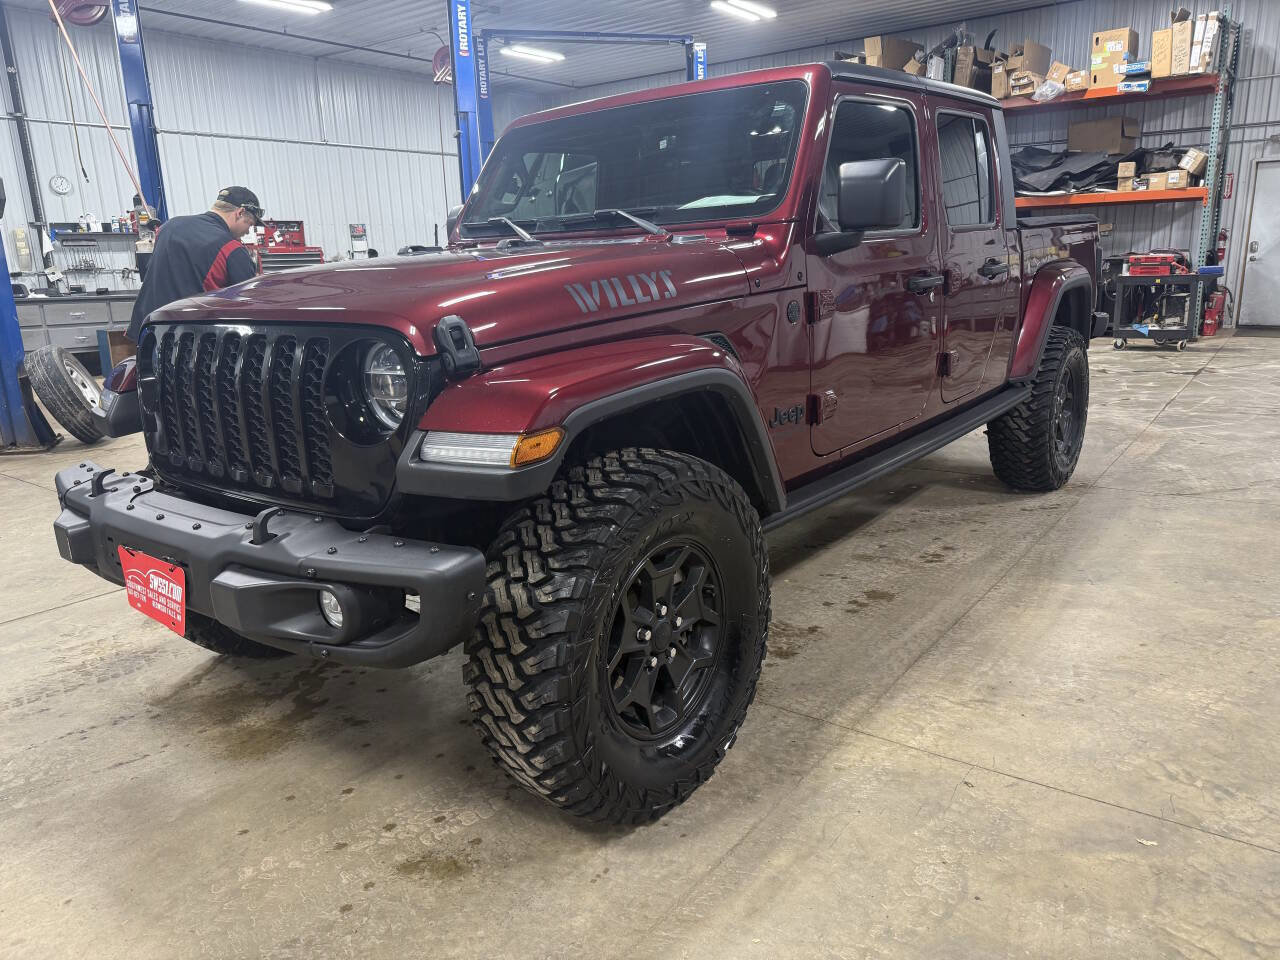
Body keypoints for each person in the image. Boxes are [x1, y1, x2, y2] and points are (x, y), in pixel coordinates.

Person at [126, 186, 265, 340]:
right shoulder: (231, 248)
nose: (247, 232)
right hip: (188, 344)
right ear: (239, 213)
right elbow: (247, 306)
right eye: (250, 224)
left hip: (147, 331)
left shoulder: (169, 227)